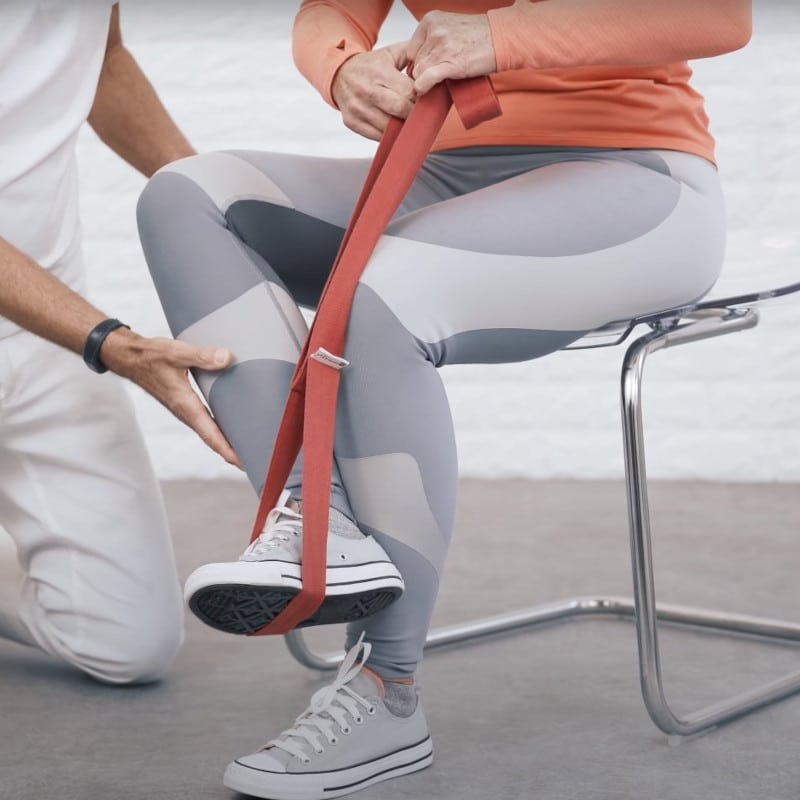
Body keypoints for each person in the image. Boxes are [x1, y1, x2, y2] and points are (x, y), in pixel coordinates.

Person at [137, 0, 752, 796]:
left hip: (636, 176)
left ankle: (388, 690)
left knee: (384, 289)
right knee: (185, 195)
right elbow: (330, 12)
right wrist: (341, 65)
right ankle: (315, 524)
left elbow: (723, 14)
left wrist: (496, 38)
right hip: (445, 173)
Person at [0, 1, 240, 685]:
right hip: (80, 331)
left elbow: (101, 59)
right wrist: (112, 343)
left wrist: (219, 203)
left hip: (47, 325)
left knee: (128, 642)